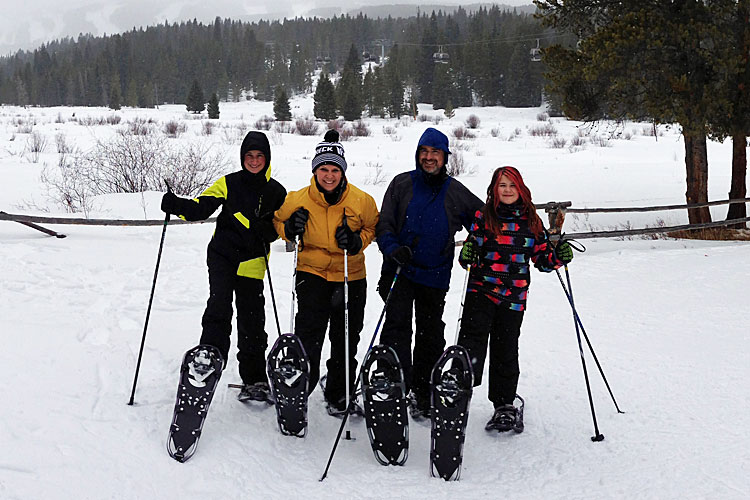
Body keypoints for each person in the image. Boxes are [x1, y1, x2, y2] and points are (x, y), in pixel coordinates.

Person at [160, 131, 286, 402]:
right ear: (243, 158)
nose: (254, 161)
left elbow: (278, 227)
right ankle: (208, 359)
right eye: (249, 156)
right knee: (218, 307)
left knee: (252, 317)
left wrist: (260, 228)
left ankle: (254, 377)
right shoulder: (228, 183)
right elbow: (200, 208)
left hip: (252, 261)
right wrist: (175, 205)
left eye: (259, 156)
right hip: (222, 255)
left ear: (267, 158)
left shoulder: (276, 191)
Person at [375, 127, 483, 418]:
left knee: (430, 334)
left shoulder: (455, 191)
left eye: (435, 152)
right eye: (424, 151)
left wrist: (474, 243)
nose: (429, 157)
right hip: (399, 270)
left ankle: (424, 393)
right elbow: (383, 223)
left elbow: (483, 222)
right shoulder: (401, 184)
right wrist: (392, 248)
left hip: (434, 275)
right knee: (396, 327)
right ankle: (393, 383)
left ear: (445, 157)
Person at [456, 166, 573, 431]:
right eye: (502, 185)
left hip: (514, 297)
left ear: (520, 187)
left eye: (511, 185)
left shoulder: (531, 221)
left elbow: (542, 259)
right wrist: (467, 255)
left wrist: (558, 257)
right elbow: (470, 251)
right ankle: (459, 391)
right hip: (481, 291)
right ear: (494, 189)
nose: (507, 190)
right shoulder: (484, 217)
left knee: (505, 348)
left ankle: (504, 405)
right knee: (471, 343)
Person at [273, 130, 379, 415]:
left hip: (350, 274)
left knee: (346, 337)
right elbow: (277, 221)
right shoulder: (298, 198)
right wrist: (289, 229)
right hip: (311, 272)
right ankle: (301, 387)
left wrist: (357, 242)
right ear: (315, 170)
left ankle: (339, 392)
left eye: (334, 169)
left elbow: (372, 227)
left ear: (343, 172)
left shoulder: (361, 200)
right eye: (323, 169)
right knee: (309, 333)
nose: (329, 176)